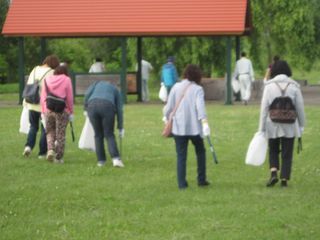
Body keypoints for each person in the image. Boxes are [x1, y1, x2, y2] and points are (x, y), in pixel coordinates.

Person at [163, 64, 211, 189]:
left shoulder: (176, 87)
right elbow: (200, 109)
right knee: (200, 151)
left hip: (178, 127)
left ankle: (182, 184)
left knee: (181, 156)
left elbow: (168, 108)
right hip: (194, 127)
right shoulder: (198, 89)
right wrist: (205, 123)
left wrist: (166, 117)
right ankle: (201, 179)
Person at [258, 60, 305, 187]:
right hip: (290, 124)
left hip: (272, 123)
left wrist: (261, 128)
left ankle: (273, 173)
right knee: (287, 151)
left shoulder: (268, 86)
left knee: (273, 149)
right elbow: (300, 107)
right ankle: (284, 179)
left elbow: (264, 109)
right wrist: (301, 126)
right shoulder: (294, 86)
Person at [22, 55, 60, 158]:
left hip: (31, 103)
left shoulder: (34, 69)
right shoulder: (51, 72)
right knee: (45, 129)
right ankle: (42, 153)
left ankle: (28, 147)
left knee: (33, 126)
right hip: (44, 105)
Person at [84, 80, 124, 168]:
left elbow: (87, 95)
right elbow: (119, 110)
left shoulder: (96, 83)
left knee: (98, 135)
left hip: (92, 106)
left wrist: (85, 108)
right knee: (109, 134)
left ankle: (101, 161)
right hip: (108, 106)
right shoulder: (116, 90)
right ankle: (116, 159)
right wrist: (121, 127)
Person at [40, 65, 74, 163]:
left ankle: (50, 149)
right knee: (60, 133)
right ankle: (58, 157)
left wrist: (43, 110)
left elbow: (43, 96)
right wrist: (71, 111)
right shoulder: (67, 79)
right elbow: (69, 97)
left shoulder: (47, 79)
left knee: (50, 131)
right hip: (62, 110)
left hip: (49, 109)